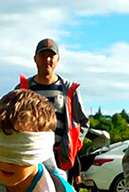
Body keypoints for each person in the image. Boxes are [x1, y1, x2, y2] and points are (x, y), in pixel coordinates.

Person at [16, 38, 89, 182]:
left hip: (59, 158)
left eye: (51, 56)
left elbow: (83, 123)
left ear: (58, 60)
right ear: (35, 59)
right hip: (31, 156)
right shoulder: (23, 89)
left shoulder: (69, 90)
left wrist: (73, 144)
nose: (47, 60)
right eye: (43, 55)